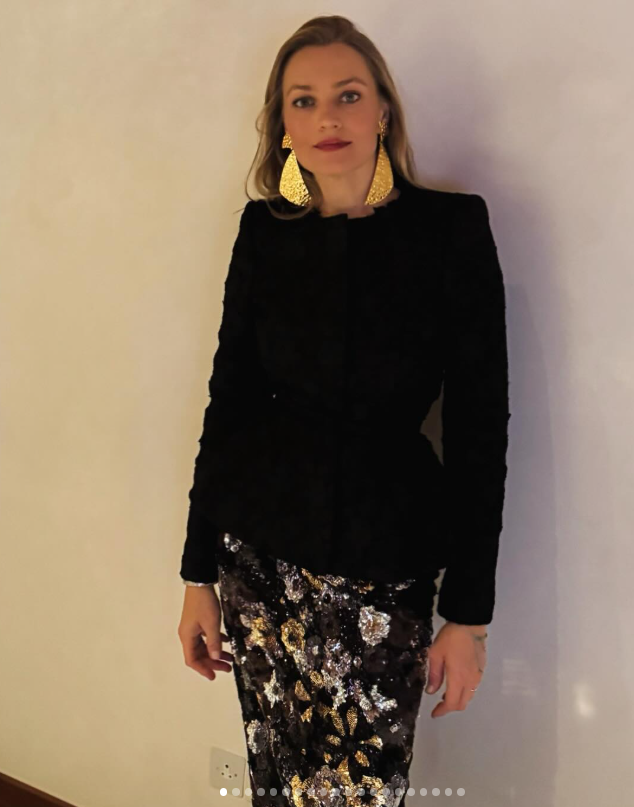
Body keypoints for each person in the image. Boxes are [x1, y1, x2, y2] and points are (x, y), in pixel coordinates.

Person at [176, 15, 510, 806]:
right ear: (282, 125)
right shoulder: (264, 232)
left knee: (362, 792)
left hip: (383, 565)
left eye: (348, 95)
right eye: (304, 100)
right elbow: (229, 402)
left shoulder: (450, 231)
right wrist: (197, 573)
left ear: (383, 109)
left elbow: (479, 427)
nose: (327, 116)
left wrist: (468, 615)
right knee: (277, 782)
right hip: (258, 556)